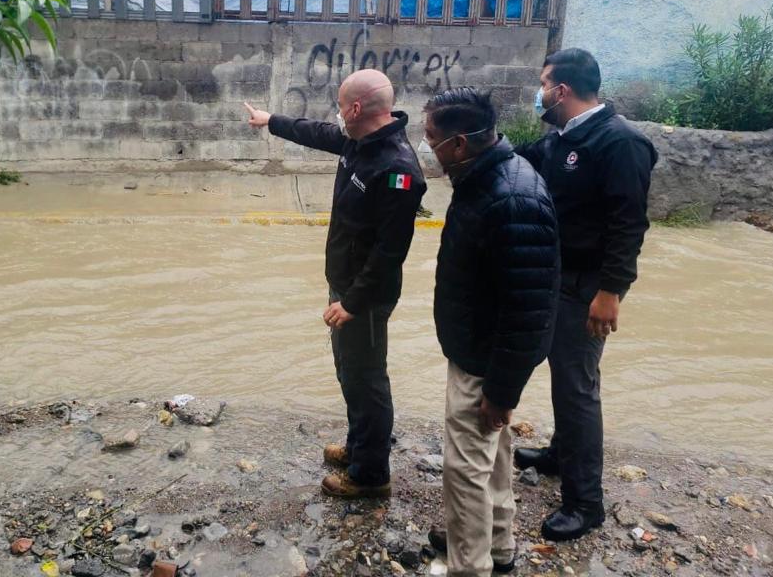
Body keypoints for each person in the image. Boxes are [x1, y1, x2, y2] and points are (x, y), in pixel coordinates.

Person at [243, 69, 426, 499]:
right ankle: (359, 445)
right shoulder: (359, 142)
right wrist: (271, 120)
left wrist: (354, 303)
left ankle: (370, 474)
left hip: (364, 297)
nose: (338, 113)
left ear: (357, 108)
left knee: (367, 379)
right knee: (350, 373)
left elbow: (389, 251)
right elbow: (318, 133)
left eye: (342, 104)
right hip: (344, 285)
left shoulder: (397, 170)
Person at [514, 48, 658, 541]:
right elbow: (516, 159)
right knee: (561, 376)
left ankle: (585, 502)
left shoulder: (619, 143)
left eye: (543, 84)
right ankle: (558, 455)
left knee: (577, 388)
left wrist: (611, 291)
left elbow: (629, 224)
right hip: (557, 276)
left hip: (588, 287)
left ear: (562, 90)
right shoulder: (561, 139)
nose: (540, 93)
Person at [421, 87, 559, 577]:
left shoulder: (511, 199)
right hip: (478, 351)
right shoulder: (484, 179)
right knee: (492, 455)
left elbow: (528, 310)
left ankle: (469, 566)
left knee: (465, 471)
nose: (426, 145)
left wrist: (500, 391)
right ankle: (497, 547)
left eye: (431, 137)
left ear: (458, 143)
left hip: (485, 361)